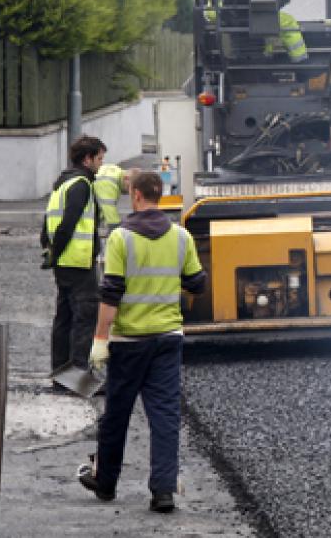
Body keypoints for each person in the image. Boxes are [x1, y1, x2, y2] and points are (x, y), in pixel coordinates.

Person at [80, 171, 206, 514]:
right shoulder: (181, 237)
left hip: (128, 341)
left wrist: (100, 340)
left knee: (117, 414)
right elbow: (197, 283)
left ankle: (105, 484)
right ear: (160, 195)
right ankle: (163, 491)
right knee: (164, 416)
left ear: (135, 196)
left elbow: (111, 294)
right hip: (167, 339)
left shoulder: (121, 239)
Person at [43, 135, 107, 381]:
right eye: (99, 158)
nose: (101, 164)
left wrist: (51, 253)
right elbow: (68, 223)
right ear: (87, 158)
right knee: (85, 317)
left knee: (65, 318)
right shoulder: (81, 184)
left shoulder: (63, 182)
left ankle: (60, 372)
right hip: (78, 263)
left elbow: (48, 219)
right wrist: (58, 250)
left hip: (64, 263)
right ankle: (77, 377)